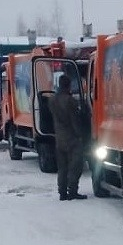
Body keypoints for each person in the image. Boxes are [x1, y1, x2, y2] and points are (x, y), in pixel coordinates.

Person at [48, 73, 87, 201]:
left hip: (59, 138)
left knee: (62, 167)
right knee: (75, 166)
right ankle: (72, 191)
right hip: (72, 139)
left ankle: (62, 192)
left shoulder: (52, 100)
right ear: (68, 85)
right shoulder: (71, 101)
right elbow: (74, 121)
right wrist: (80, 135)